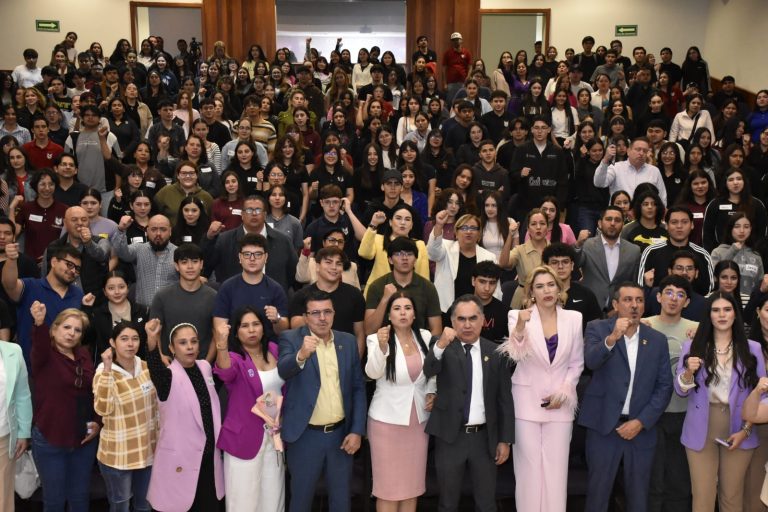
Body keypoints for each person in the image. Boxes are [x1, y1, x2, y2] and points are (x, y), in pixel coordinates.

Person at [579, 283, 673, 512]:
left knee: (638, 497)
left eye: (639, 300)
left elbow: (664, 386)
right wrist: (612, 338)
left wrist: (641, 422)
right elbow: (591, 362)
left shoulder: (657, 340)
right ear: (615, 304)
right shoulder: (597, 328)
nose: (634, 305)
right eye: (628, 300)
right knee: (598, 496)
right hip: (603, 426)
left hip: (640, 429)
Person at [277, 289, 367, 512]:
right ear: (305, 317)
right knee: (301, 501)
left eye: (327, 312)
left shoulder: (347, 341)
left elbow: (358, 388)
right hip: (305, 436)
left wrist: (357, 431)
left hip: (341, 436)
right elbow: (283, 370)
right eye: (315, 313)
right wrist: (301, 355)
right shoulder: (291, 338)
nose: (322, 318)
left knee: (341, 501)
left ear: (334, 314)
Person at [503, 265, 584, 512]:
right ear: (531, 292)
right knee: (527, 471)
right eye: (539, 286)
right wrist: (520, 326)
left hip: (560, 405)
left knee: (556, 472)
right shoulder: (517, 316)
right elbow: (515, 355)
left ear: (559, 289)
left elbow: (577, 363)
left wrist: (564, 391)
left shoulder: (574, 318)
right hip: (525, 404)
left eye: (551, 285)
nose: (546, 290)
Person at [423, 294, 515, 512]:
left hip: (484, 439)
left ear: (482, 320)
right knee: (447, 503)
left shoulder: (496, 352)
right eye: (461, 319)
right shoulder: (442, 347)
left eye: (473, 318)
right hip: (449, 438)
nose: (467, 325)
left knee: (486, 503)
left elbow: (504, 399)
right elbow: (429, 369)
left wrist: (505, 440)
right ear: (452, 322)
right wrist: (441, 343)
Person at [675, 292, 765, 512]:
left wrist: (746, 429)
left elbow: (762, 394)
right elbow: (680, 390)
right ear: (709, 315)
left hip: (741, 426)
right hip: (701, 427)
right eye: (716, 310)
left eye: (727, 309)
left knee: (732, 497)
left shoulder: (752, 348)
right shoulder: (692, 346)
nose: (722, 315)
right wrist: (688, 372)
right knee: (702, 497)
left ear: (735, 314)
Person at [144, 318, 223, 510]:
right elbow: (155, 369)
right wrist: (152, 342)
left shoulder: (205, 367)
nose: (189, 347)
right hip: (180, 460)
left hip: (208, 458)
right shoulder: (167, 376)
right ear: (172, 348)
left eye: (194, 341)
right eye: (183, 342)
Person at [29, 301, 101, 511]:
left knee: (80, 498)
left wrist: (98, 423)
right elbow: (40, 343)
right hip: (50, 439)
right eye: (66, 327)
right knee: (54, 500)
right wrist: (39, 322)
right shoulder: (44, 355)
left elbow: (95, 393)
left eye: (77, 330)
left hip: (83, 439)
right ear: (54, 329)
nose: (71, 333)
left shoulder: (84, 355)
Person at [365, 292, 434, 511]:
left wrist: (432, 392)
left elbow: (433, 371)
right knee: (388, 488)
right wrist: (382, 348)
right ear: (389, 315)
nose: (403, 312)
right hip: (386, 423)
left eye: (407, 308)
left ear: (414, 314)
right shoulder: (376, 338)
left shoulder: (424, 336)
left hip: (418, 421)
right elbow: (372, 372)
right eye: (397, 308)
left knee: (412, 486)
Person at [213, 307, 285, 512]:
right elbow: (225, 372)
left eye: (256, 324)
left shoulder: (275, 349)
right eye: (245, 326)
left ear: (263, 327)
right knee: (243, 502)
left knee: (273, 499)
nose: (252, 330)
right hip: (243, 439)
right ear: (236, 332)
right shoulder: (235, 358)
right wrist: (221, 344)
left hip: (274, 437)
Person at [644, 274, 698, 512]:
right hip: (649, 413)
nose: (673, 299)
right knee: (652, 480)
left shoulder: (697, 329)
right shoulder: (643, 324)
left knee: (679, 480)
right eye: (668, 292)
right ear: (658, 297)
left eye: (680, 295)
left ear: (687, 302)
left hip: (684, 413)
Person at [93, 320, 158, 512]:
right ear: (112, 342)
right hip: (118, 456)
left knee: (144, 506)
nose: (130, 344)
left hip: (147, 452)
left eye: (135, 339)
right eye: (124, 339)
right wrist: (107, 369)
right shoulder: (104, 372)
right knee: (120, 506)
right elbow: (102, 409)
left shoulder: (146, 367)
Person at [3, 243, 84, 362]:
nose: (73, 271)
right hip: (30, 365)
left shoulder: (78, 294)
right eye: (69, 264)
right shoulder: (31, 286)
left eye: (77, 269)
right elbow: (9, 284)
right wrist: (11, 260)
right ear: (54, 262)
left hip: (65, 367)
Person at [203, 195, 297, 291]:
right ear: (242, 215)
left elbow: (292, 272)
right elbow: (206, 267)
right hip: (235, 296)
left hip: (273, 297)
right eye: (249, 210)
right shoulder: (225, 240)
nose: (254, 214)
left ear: (265, 215)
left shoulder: (282, 241)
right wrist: (209, 238)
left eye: (258, 210)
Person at [289, 246, 366, 354]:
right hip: (311, 355)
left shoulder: (354, 294)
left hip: (345, 355)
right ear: (317, 266)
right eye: (328, 262)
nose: (334, 267)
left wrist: (356, 360)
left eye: (338, 264)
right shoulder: (301, 296)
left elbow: (360, 334)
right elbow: (295, 328)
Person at [428, 212, 500, 315]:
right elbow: (433, 253)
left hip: (478, 313)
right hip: (446, 310)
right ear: (456, 233)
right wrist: (439, 225)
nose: (469, 231)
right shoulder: (445, 248)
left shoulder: (489, 257)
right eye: (464, 228)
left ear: (479, 234)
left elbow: (495, 290)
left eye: (473, 228)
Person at [576, 206, 641, 312]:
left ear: (623, 224)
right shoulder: (587, 244)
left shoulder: (634, 250)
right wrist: (578, 245)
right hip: (589, 307)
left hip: (619, 310)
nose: (613, 223)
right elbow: (575, 264)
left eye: (617, 220)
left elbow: (633, 283)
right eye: (608, 219)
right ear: (599, 223)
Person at [638, 206, 715, 297]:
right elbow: (640, 287)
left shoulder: (703, 255)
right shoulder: (651, 252)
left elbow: (710, 291)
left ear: (692, 225)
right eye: (674, 222)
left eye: (684, 222)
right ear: (666, 225)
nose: (679, 226)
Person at [0, 319, 31, 511]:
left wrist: (23, 432)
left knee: (2, 496)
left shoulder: (13, 351)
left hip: (4, 437)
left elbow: (22, 395)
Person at [542, 243, 602, 330]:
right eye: (555, 262)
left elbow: (596, 329)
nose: (560, 266)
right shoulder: (539, 295)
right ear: (546, 266)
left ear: (572, 265)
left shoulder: (586, 294)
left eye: (565, 262)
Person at [593, 136, 668, 205]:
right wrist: (605, 159)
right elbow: (599, 183)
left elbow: (662, 197)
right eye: (638, 149)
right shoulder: (616, 167)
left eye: (645, 151)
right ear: (628, 151)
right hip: (619, 212)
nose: (641, 153)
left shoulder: (654, 171)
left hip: (644, 214)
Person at [711, 212, 764, 305]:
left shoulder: (756, 256)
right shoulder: (718, 252)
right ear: (730, 229)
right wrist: (733, 250)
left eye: (746, 227)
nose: (742, 231)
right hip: (723, 303)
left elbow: (760, 285)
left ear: (751, 229)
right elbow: (714, 278)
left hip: (749, 304)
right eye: (737, 226)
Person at [472, 261, 509, 343]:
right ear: (473, 281)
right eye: (482, 282)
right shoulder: (458, 308)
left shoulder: (505, 312)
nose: (487, 288)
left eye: (492, 283)